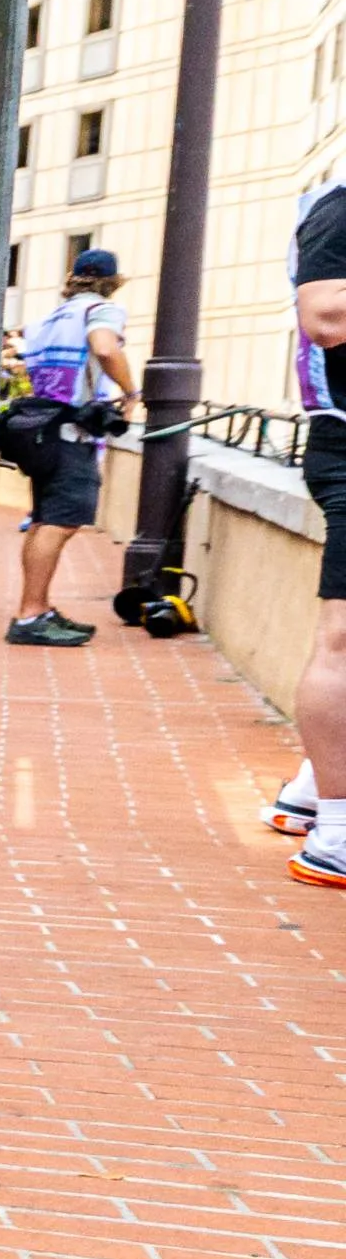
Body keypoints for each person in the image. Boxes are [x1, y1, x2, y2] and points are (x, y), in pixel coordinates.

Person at [2, 249, 137, 645]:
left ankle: (37, 608)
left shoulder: (48, 319)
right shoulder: (101, 310)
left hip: (40, 430)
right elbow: (105, 348)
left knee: (44, 520)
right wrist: (131, 391)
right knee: (61, 522)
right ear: (112, 283)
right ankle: (30, 615)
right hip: (71, 434)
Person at [271, 187, 346, 882]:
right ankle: (338, 834)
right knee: (343, 638)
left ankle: (311, 786)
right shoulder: (341, 207)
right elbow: (325, 314)